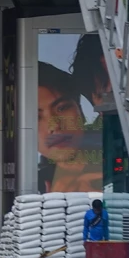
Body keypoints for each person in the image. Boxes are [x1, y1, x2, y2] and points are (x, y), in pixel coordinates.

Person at [37, 62, 101, 192]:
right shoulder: (33, 186)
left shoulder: (116, 158)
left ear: (80, 110)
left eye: (62, 108)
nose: (54, 125)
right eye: (35, 118)